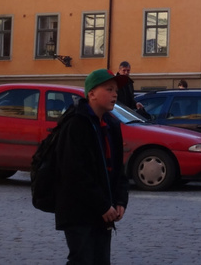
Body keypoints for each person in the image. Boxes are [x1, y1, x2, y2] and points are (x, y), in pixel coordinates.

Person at [54, 69, 130, 265]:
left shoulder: (112, 124)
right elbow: (74, 172)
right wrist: (102, 204)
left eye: (116, 90)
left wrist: (120, 200)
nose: (115, 94)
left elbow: (118, 168)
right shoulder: (76, 124)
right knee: (82, 260)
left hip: (104, 211)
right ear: (92, 93)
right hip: (78, 210)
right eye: (109, 89)